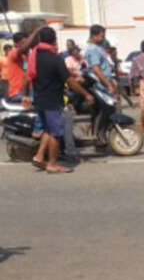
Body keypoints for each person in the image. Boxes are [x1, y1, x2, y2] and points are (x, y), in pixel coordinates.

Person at [25, 27, 93, 173]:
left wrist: (25, 96)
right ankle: (52, 164)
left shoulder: (34, 56)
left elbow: (28, 77)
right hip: (52, 100)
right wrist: (86, 94)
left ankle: (39, 156)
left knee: (48, 129)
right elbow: (69, 81)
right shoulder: (55, 59)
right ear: (54, 40)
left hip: (39, 99)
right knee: (56, 133)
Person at [5, 27, 42, 102]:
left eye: (27, 42)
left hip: (29, 89)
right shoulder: (12, 53)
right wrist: (34, 33)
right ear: (16, 44)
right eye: (23, 42)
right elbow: (23, 48)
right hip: (17, 92)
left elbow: (26, 69)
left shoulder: (27, 56)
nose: (27, 45)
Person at [84, 25, 119, 97]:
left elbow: (105, 68)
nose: (104, 38)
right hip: (100, 86)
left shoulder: (99, 48)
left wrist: (112, 85)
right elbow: (96, 69)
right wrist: (109, 85)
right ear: (94, 36)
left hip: (105, 83)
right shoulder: (93, 50)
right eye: (102, 36)